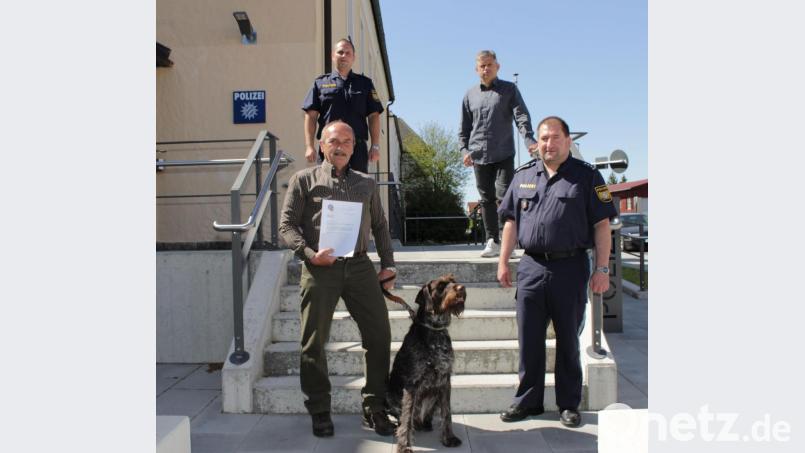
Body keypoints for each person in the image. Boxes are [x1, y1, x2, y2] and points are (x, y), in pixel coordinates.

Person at [279, 120, 398, 437]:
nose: (341, 146)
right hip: (320, 268)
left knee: (379, 335)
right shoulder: (304, 180)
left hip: (359, 267)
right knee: (313, 342)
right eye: (333, 141)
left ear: (354, 147)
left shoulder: (366, 183)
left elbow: (380, 225)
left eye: (347, 141)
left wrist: (388, 264)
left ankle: (374, 407)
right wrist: (309, 254)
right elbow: (286, 226)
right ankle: (319, 409)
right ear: (321, 145)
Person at [496, 116, 616, 427]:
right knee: (529, 339)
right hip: (531, 267)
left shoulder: (587, 176)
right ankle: (528, 401)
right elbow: (510, 221)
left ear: (568, 141)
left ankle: (568, 404)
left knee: (568, 340)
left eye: (555, 138)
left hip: (570, 268)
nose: (549, 144)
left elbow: (602, 225)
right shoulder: (523, 175)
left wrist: (602, 268)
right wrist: (503, 261)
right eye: (544, 138)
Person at [459, 49, 539, 258]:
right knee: (486, 198)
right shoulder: (469, 95)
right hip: (478, 155)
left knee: (504, 197)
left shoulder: (509, 89)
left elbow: (521, 117)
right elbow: (464, 128)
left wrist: (529, 140)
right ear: (476, 69)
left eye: (489, 65)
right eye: (482, 66)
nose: (486, 69)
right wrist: (464, 151)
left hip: (504, 152)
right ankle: (492, 241)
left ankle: (508, 242)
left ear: (497, 67)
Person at [302, 38, 384, 174]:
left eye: (348, 53)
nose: (344, 56)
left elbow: (373, 116)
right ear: (333, 56)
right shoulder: (320, 83)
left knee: (358, 185)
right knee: (327, 184)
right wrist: (309, 146)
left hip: (357, 148)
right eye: (340, 52)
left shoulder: (365, 84)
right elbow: (311, 116)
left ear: (353, 57)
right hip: (329, 146)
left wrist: (375, 146)